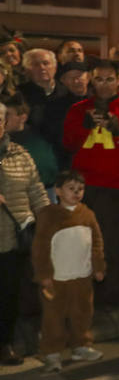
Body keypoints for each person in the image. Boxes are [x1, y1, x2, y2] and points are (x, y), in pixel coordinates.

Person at [62, 59, 119, 306]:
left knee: (118, 244)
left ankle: (116, 296)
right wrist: (84, 129)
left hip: (118, 186)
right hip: (85, 187)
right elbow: (68, 142)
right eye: (99, 79)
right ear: (91, 79)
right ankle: (84, 294)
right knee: (83, 242)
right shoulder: (78, 109)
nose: (104, 85)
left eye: (109, 79)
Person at [32, 170, 104, 372]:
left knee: (82, 313)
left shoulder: (87, 214)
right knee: (53, 317)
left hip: (81, 275)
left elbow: (96, 242)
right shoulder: (49, 216)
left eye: (80, 189)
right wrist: (44, 274)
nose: (77, 193)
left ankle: (80, 345)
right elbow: (41, 247)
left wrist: (98, 266)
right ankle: (51, 352)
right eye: (71, 189)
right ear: (58, 191)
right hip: (57, 278)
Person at [0, 100, 50, 365]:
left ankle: (4, 343)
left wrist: (49, 221)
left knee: (9, 294)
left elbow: (37, 190)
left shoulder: (19, 154)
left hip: (13, 238)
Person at [18, 48, 59, 133]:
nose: (42, 67)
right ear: (25, 70)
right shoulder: (18, 94)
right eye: (35, 64)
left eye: (46, 63)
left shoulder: (67, 92)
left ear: (55, 67)